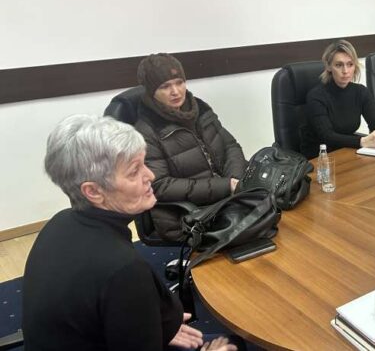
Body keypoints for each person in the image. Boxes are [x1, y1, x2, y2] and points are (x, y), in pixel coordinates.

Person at [23, 114, 237, 351]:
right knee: (232, 345)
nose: (150, 176)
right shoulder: (123, 270)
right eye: (134, 171)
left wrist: (148, 327)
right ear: (93, 191)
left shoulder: (60, 222)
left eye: (144, 163)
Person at [134, 53, 247, 241]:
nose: (176, 91)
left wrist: (235, 180)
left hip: (227, 202)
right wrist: (225, 186)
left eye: (179, 82)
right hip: (190, 218)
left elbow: (230, 146)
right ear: (151, 91)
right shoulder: (146, 131)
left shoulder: (200, 109)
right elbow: (160, 185)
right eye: (165, 86)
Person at [301, 39, 375, 159]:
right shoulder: (316, 96)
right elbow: (327, 136)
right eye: (339, 65)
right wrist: (363, 141)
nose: (345, 71)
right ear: (328, 66)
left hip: (347, 150)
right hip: (319, 157)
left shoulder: (361, 92)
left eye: (350, 64)